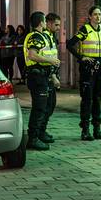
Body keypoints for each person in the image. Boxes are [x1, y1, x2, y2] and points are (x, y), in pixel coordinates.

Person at [67, 4, 101, 141]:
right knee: (87, 100)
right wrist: (81, 57)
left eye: (100, 14)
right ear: (90, 16)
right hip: (88, 70)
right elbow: (70, 44)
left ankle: (97, 129)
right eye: (95, 14)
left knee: (97, 99)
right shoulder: (85, 29)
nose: (98, 17)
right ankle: (85, 130)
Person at [23, 12, 60, 150]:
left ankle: (39, 133)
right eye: (44, 21)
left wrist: (53, 75)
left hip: (44, 76)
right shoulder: (35, 37)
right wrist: (50, 60)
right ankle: (33, 138)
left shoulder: (43, 36)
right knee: (39, 108)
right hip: (37, 76)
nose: (46, 23)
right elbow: (32, 55)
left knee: (47, 106)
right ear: (41, 23)